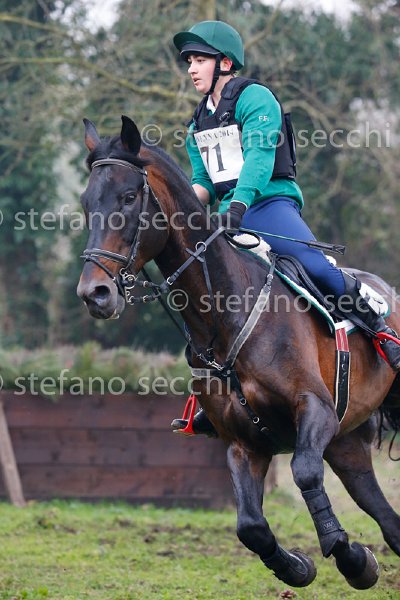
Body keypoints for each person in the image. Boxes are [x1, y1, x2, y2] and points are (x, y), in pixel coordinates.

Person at [171, 20, 400, 434]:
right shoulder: (197, 122)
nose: (191, 68)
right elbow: (202, 182)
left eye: (199, 60)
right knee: (199, 291)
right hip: (227, 215)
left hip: (267, 205)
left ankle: (382, 331)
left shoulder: (255, 98)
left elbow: (259, 159)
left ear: (225, 63)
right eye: (189, 61)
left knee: (313, 266)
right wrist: (182, 212)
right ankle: (210, 395)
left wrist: (238, 205)